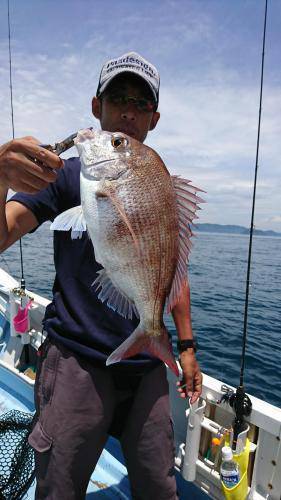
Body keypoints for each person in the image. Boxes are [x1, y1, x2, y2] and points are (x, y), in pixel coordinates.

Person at [0, 52, 202, 500]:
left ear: (154, 118)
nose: (128, 112)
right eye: (117, 99)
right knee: (61, 488)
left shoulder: (159, 184)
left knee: (159, 487)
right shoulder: (64, 176)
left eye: (140, 104)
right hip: (76, 356)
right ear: (97, 107)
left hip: (147, 362)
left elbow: (171, 265)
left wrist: (185, 346)